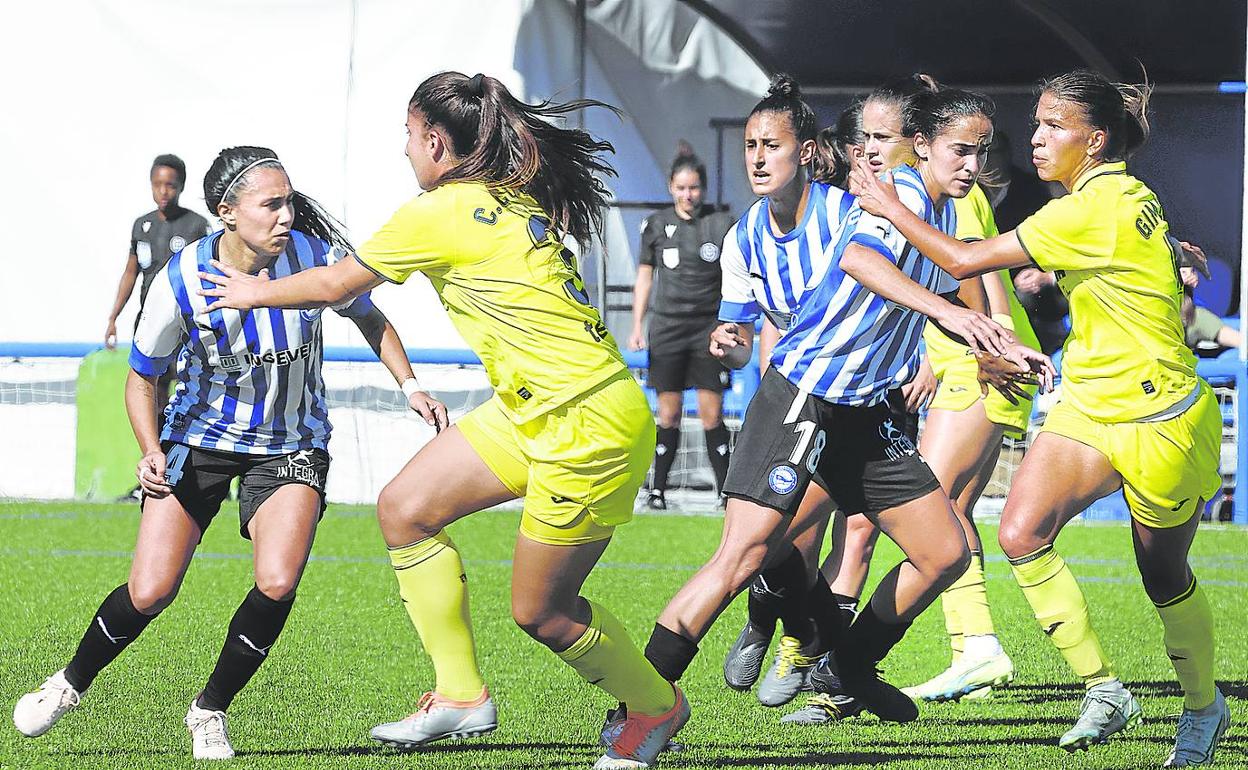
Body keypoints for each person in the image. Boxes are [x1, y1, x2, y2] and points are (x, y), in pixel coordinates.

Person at [194, 72, 686, 770]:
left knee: (542, 612)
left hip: (587, 424)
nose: (402, 150)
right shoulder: (503, 196)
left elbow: (338, 287)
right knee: (404, 508)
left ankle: (654, 707)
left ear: (433, 140)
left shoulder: (438, 211)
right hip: (536, 407)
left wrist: (255, 292)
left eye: (406, 135)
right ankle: (460, 695)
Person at [642, 81, 1051, 731]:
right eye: (960, 150)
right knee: (746, 556)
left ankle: (846, 670)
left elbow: (947, 291)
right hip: (804, 392)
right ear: (924, 147)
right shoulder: (909, 195)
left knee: (943, 552)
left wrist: (988, 351)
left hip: (862, 408)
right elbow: (863, 261)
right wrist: (952, 313)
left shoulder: (937, 211)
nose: (973, 165)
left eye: (981, 152)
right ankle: (640, 701)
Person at [13, 146, 441, 760]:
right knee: (151, 590)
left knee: (277, 578)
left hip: (291, 443)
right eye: (271, 204)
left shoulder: (313, 258)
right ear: (228, 212)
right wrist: (149, 447)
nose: (286, 215)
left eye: (289, 201)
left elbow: (371, 317)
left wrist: (411, 385)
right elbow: (143, 377)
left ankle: (210, 709)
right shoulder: (180, 281)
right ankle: (69, 683)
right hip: (198, 440)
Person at [851, 69, 1228, 766]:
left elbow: (964, 258)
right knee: (1021, 529)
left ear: (1096, 139)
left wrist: (885, 204)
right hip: (1090, 401)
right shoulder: (1114, 195)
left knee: (1163, 577)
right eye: (1038, 122)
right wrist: (1169, 252)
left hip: (1160, 413)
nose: (1037, 136)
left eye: (1054, 125)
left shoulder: (1087, 207)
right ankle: (1104, 690)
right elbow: (1132, 245)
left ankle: (1205, 707)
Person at [711, 86, 857, 709]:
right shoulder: (742, 238)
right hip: (792, 399)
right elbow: (741, 340)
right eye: (750, 145)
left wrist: (929, 357)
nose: (758, 157)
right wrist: (729, 344)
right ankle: (775, 622)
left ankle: (811, 653)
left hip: (859, 399)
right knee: (772, 539)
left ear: (808, 151)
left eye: (772, 145)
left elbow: (903, 286)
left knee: (846, 532)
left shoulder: (846, 216)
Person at [629, 143, 737, 510]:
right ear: (671, 187)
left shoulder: (721, 222)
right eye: (681, 188)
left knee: (711, 413)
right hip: (668, 328)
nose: (687, 195)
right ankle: (657, 490)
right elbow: (645, 277)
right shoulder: (657, 225)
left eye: (693, 188)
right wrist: (636, 324)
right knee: (669, 412)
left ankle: (726, 492)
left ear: (703, 188)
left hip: (708, 329)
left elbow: (737, 276)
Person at [105, 155, 212, 422]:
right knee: (152, 383)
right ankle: (156, 447)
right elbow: (131, 272)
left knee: (189, 379)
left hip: (186, 320)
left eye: (171, 185)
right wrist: (113, 316)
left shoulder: (196, 225)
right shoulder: (142, 225)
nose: (164, 191)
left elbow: (209, 271)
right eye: (158, 184)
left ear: (181, 186)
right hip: (151, 319)